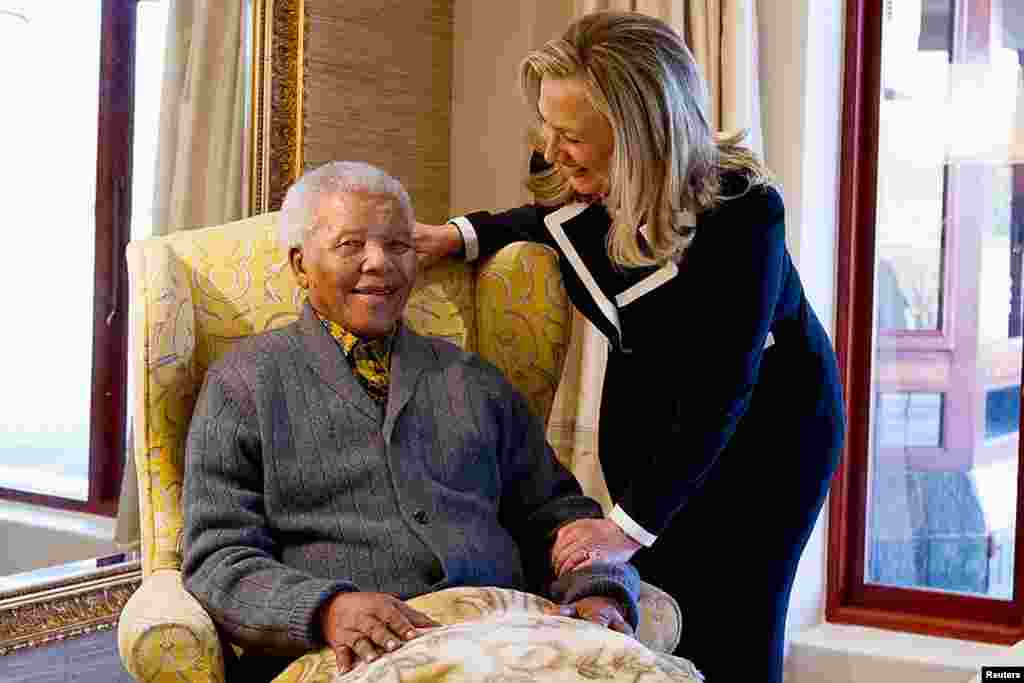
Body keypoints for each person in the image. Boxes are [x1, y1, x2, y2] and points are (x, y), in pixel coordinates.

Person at [414, 11, 845, 683]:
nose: (551, 149)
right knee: (664, 623)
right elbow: (551, 219)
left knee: (736, 628)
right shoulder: (567, 169)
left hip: (765, 436)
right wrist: (461, 234)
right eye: (547, 126)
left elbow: (719, 388)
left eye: (571, 135)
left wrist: (625, 527)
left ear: (640, 135)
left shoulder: (744, 215)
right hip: (655, 426)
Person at [181, 161, 643, 682]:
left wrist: (599, 590)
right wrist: (326, 609)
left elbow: (559, 514)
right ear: (301, 265)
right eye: (351, 245)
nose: (379, 263)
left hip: (510, 634)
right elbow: (218, 558)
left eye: (398, 245)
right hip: (354, 656)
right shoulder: (243, 383)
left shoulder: (475, 380)